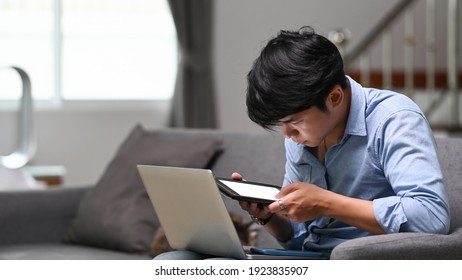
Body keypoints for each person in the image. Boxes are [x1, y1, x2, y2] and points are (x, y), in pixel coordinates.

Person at [155, 26, 450, 259]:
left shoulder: (394, 118)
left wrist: (325, 202)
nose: (288, 136)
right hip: (305, 259)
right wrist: (269, 217)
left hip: (356, 261)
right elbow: (298, 237)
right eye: (282, 125)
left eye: (294, 122)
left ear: (334, 98)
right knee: (174, 262)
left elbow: (431, 217)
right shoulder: (303, 136)